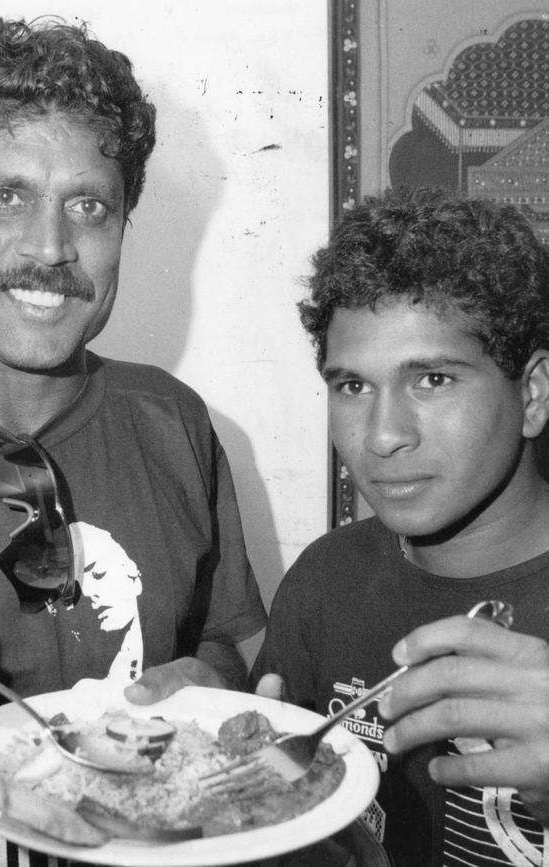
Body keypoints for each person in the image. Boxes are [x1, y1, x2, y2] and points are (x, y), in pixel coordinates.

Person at [0, 17, 267, 866]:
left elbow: (222, 643)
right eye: (5, 195)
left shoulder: (171, 418)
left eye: (89, 207)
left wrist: (208, 683)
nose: (49, 247)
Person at [252, 186, 549, 867]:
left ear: (531, 393)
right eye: (353, 386)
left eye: (434, 379)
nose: (382, 436)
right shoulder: (326, 578)